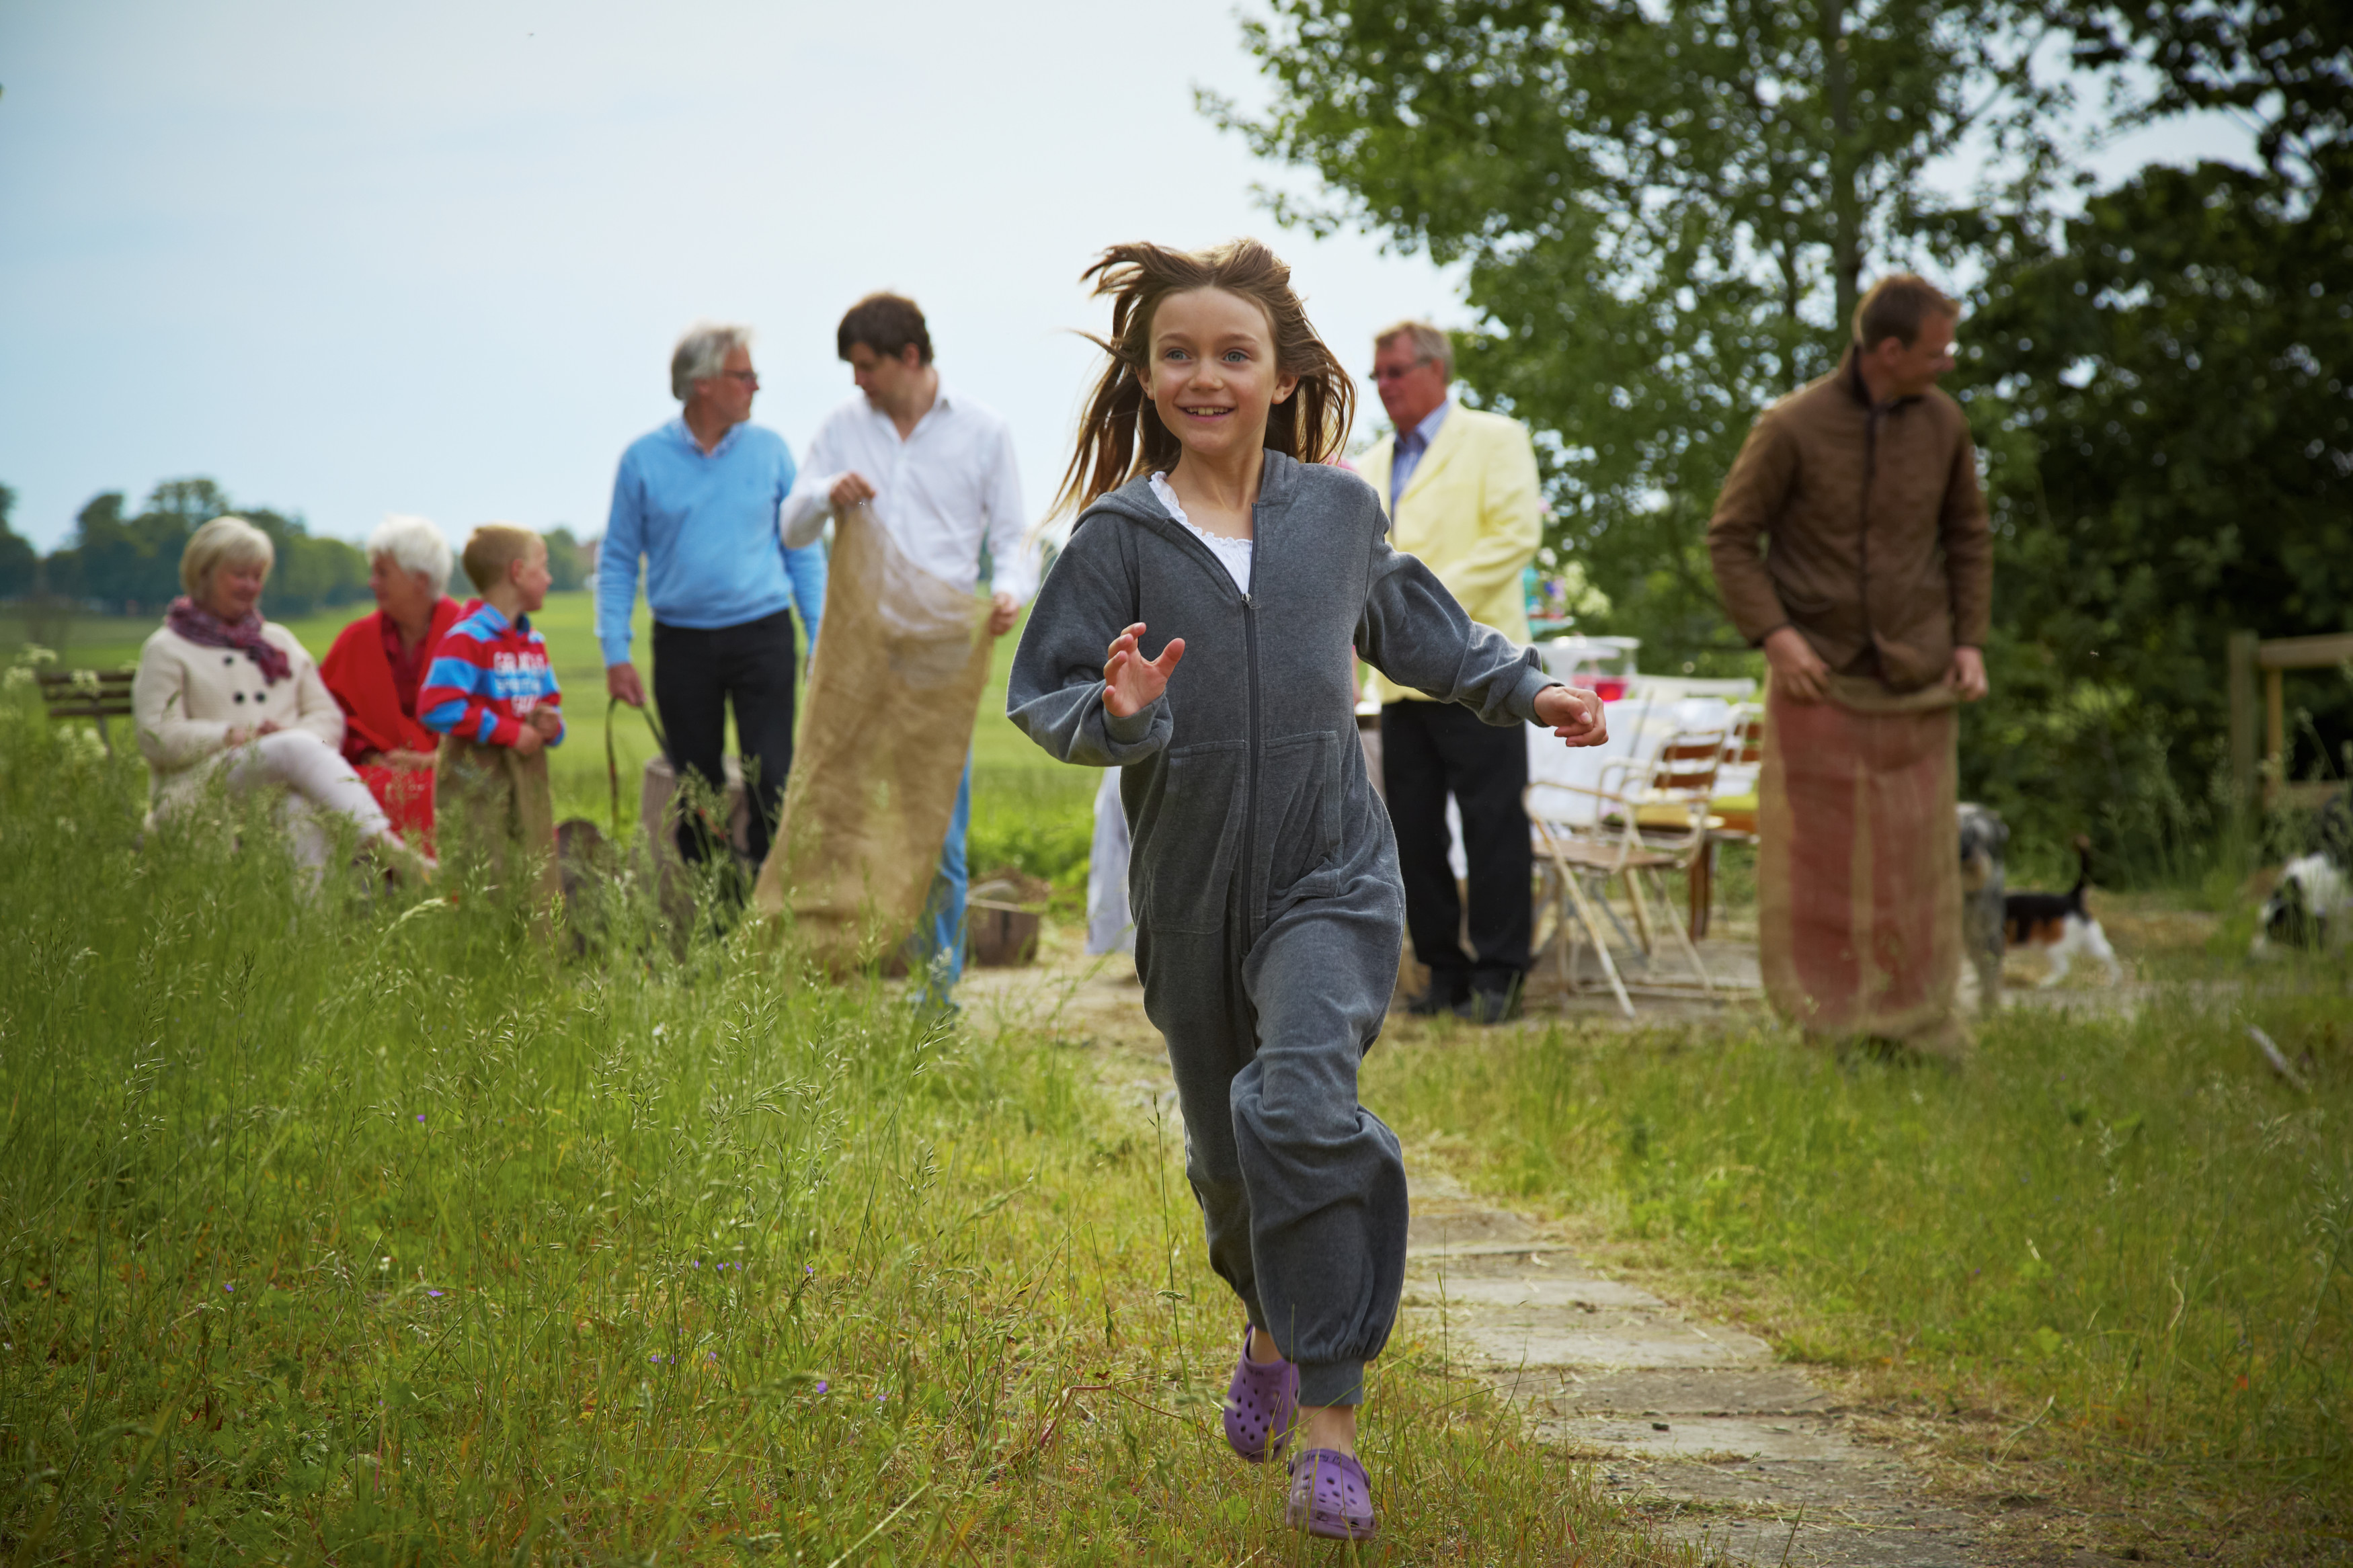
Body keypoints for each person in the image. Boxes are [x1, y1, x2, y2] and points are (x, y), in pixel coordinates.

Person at [1006, 240, 1607, 1542]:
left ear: (1282, 376)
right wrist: (1114, 715)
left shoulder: (1335, 510)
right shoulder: (1116, 536)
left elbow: (1420, 628)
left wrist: (1529, 685)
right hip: (1187, 888)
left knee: (1301, 1096)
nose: (1203, 374)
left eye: (1233, 353)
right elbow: (1043, 693)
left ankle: (1328, 1419)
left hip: (1332, 868)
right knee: (1229, 1171)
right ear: (1145, 370)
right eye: (1178, 352)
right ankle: (1269, 1321)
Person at [1706, 274, 1991, 1059]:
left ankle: (1916, 1024)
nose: (1947, 363)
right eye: (1936, 350)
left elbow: (1966, 535)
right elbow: (1731, 538)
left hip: (1917, 678)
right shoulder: (1790, 425)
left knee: (1914, 861)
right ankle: (1826, 1024)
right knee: (1818, 866)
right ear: (1888, 350)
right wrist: (1775, 635)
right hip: (1816, 677)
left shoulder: (1942, 424)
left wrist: (1967, 642)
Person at [782, 292, 1036, 1005]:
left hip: (941, 657)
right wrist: (828, 492)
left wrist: (1011, 590)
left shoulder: (984, 430)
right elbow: (792, 526)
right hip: (855, 656)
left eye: (866, 366)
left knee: (938, 831)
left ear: (911, 358)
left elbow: (1015, 533)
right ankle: (834, 969)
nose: (856, 381)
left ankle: (936, 995)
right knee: (835, 810)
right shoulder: (840, 429)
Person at [1355, 321, 1546, 1023]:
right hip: (1398, 685)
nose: (1383, 385)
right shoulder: (1371, 461)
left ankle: (1501, 975)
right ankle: (1442, 972)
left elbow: (1513, 536)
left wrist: (1421, 611)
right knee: (1412, 830)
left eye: (1395, 371)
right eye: (1376, 374)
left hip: (1481, 669)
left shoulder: (1495, 439)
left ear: (1436, 370)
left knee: (1493, 825)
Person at [598, 323, 827, 882]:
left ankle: (770, 908)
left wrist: (819, 635)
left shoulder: (772, 451)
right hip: (681, 642)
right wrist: (615, 651)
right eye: (744, 375)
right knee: (695, 787)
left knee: (772, 776)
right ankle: (712, 921)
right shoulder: (642, 460)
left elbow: (803, 552)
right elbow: (619, 560)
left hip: (763, 636)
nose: (755, 386)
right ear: (702, 383)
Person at [132, 515, 424, 879]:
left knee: (300, 807)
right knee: (292, 747)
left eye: (257, 576)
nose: (251, 586)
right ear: (204, 573)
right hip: (198, 786)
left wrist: (286, 734)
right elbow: (155, 735)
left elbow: (327, 718)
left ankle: (309, 931)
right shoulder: (167, 648)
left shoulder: (279, 641)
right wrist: (231, 736)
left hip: (277, 784)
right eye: (240, 575)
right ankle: (391, 852)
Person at [421, 524, 566, 909]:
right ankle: (480, 954)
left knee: (535, 867)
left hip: (528, 782)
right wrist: (508, 733)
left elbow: (551, 699)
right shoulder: (467, 638)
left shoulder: (534, 643)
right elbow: (437, 706)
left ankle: (538, 957)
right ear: (517, 572)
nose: (549, 578)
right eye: (543, 567)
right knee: (483, 867)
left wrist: (553, 724)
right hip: (477, 782)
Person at [319, 515, 463, 844]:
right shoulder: (356, 639)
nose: (372, 582)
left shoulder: (472, 638)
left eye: (383, 573)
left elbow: (497, 724)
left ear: (420, 581)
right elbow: (328, 720)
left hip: (453, 776)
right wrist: (372, 757)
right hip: (369, 778)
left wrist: (434, 761)